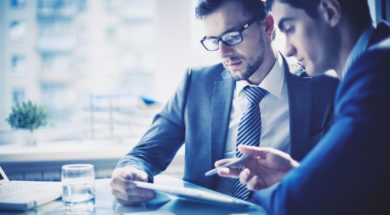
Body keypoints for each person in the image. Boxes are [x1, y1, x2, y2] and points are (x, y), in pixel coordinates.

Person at [110, 0, 339, 206]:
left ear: (268, 26)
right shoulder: (196, 84)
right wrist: (130, 173)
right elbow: (146, 152)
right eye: (214, 41)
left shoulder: (324, 90)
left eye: (231, 37)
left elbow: (340, 181)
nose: (223, 53)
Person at [215, 0, 390, 214]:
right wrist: (296, 176)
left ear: (329, 11)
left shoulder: (377, 72)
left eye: (289, 28)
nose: (287, 49)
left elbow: (290, 202)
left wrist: (288, 189)